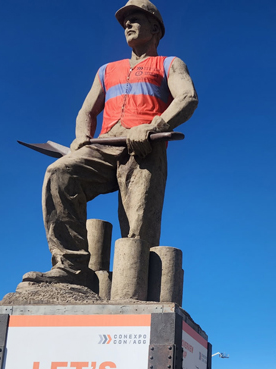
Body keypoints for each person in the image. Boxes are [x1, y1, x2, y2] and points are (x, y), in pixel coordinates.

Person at [20, 0, 199, 290]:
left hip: (145, 147)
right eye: (124, 21)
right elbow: (87, 111)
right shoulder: (106, 70)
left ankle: (134, 288)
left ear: (155, 28)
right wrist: (81, 136)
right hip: (105, 144)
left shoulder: (169, 63)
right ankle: (72, 268)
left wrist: (154, 126)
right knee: (60, 173)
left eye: (135, 18)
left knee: (137, 229)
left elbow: (187, 98)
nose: (127, 24)